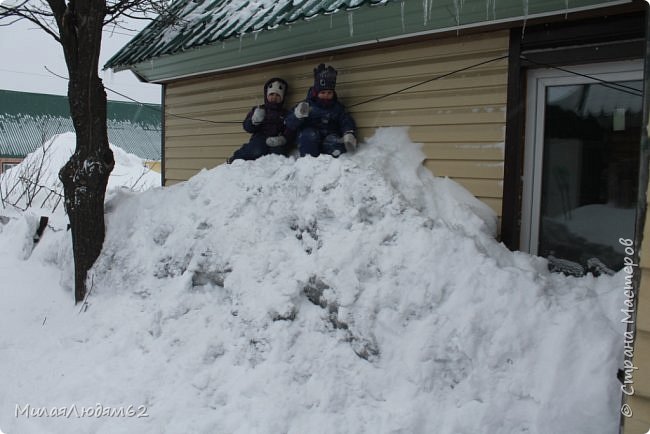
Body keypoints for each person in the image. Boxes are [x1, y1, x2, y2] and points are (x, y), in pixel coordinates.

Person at [285, 64, 357, 158]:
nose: (326, 95)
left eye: (329, 93)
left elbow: (345, 120)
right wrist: (297, 115)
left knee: (336, 143)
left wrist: (348, 132)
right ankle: (309, 161)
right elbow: (289, 123)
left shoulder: (337, 107)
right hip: (310, 138)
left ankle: (333, 165)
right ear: (316, 92)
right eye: (322, 93)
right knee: (309, 135)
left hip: (329, 136)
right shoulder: (306, 105)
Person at [228, 77, 292, 162]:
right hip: (260, 138)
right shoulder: (259, 109)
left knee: (278, 155)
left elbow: (290, 129)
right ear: (267, 95)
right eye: (272, 94)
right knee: (257, 150)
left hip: (276, 140)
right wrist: (254, 121)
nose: (274, 97)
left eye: (277, 95)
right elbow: (247, 127)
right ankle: (235, 159)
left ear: (282, 97)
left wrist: (283, 139)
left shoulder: (285, 113)